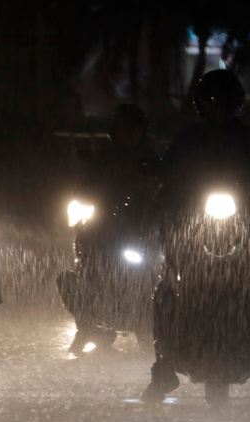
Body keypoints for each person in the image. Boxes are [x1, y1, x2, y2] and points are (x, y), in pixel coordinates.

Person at [141, 69, 250, 402]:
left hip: (246, 235)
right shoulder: (187, 142)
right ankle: (163, 369)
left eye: (225, 103)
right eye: (212, 103)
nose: (219, 110)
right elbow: (166, 180)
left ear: (237, 104)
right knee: (166, 291)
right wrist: (160, 196)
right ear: (201, 105)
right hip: (193, 237)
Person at [67, 104, 159, 353]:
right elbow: (83, 191)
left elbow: (164, 192)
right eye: (124, 129)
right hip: (104, 231)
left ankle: (155, 322)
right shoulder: (102, 160)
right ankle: (87, 324)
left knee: (162, 274)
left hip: (141, 230)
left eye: (134, 129)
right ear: (114, 131)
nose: (129, 134)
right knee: (84, 270)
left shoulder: (151, 160)